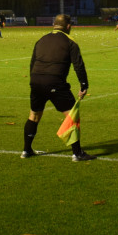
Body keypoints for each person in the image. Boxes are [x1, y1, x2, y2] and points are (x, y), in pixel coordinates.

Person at [23, 14, 94, 161]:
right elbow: (78, 65)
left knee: (34, 115)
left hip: (36, 80)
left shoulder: (41, 39)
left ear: (54, 24)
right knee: (72, 116)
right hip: (55, 82)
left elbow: (32, 63)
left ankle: (26, 150)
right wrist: (84, 84)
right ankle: (77, 153)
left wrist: (34, 81)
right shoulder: (70, 41)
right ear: (68, 26)